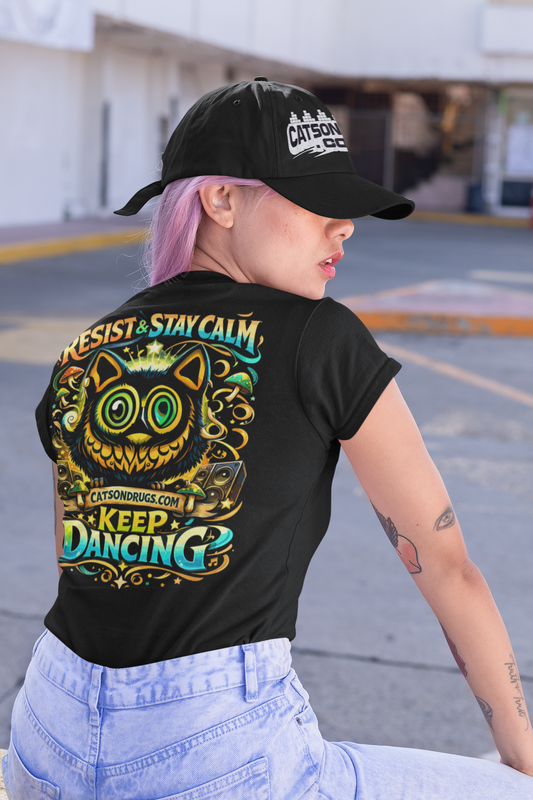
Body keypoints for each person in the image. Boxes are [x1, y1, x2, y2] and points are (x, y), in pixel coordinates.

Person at [2, 78, 532, 800]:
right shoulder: (321, 336)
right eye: (317, 201)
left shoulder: (87, 348)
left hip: (47, 730)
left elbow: (92, 564)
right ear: (220, 199)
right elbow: (445, 566)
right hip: (214, 748)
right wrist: (523, 756)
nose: (344, 227)